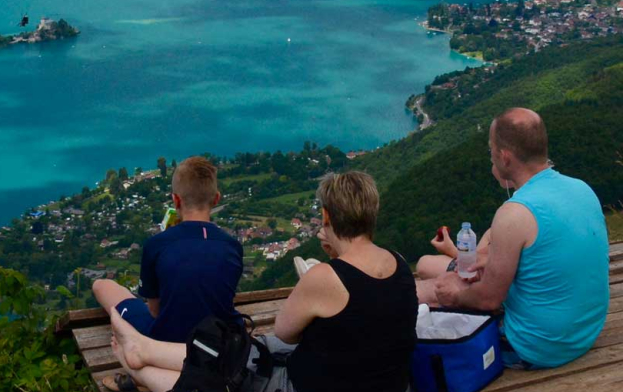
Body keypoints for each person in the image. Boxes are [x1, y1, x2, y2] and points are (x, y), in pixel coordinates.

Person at [106, 171, 416, 392]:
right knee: (243, 351)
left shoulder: (327, 276)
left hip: (302, 385)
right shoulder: (398, 262)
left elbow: (286, 332)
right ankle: (143, 351)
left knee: (233, 365)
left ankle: (142, 362)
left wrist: (330, 262)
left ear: (325, 216)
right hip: (387, 383)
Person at [416, 107, 609, 369]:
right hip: (585, 332)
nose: (491, 157)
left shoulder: (514, 213)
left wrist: (453, 295)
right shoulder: (581, 188)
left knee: (432, 291)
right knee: (437, 269)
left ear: (505, 158)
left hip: (537, 346)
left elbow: (488, 300)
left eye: (491, 151)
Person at [92, 157, 244, 343]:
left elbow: (154, 311)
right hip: (221, 337)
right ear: (216, 198)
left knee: (101, 286)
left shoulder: (157, 244)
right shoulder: (232, 246)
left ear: (176, 200)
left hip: (167, 338)